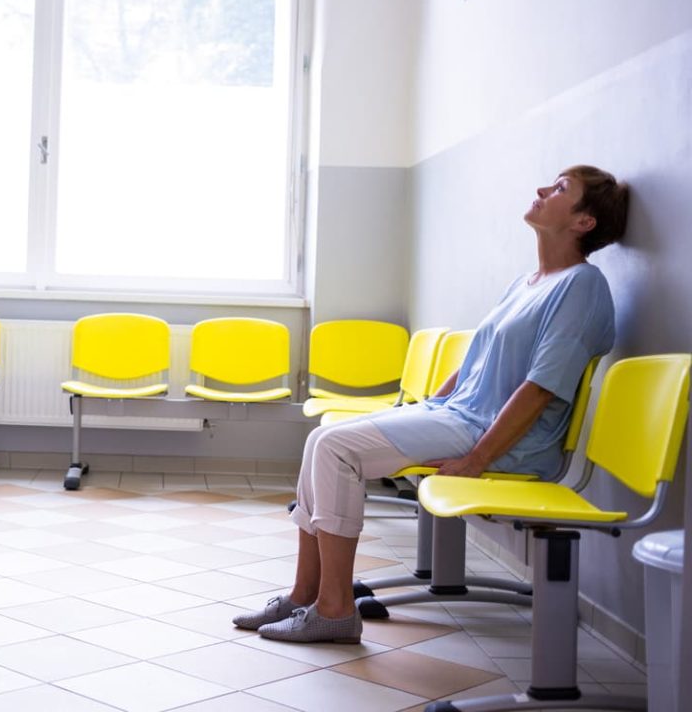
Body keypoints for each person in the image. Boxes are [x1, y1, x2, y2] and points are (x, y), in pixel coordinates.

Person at [233, 165, 630, 644]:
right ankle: (305, 594)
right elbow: (474, 363)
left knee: (336, 448)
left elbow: (541, 387)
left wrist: (476, 460)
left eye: (562, 189)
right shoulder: (527, 283)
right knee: (322, 438)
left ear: (583, 222)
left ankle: (335, 609)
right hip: (460, 415)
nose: (543, 189)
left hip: (496, 435)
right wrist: (423, 408)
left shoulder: (581, 287)